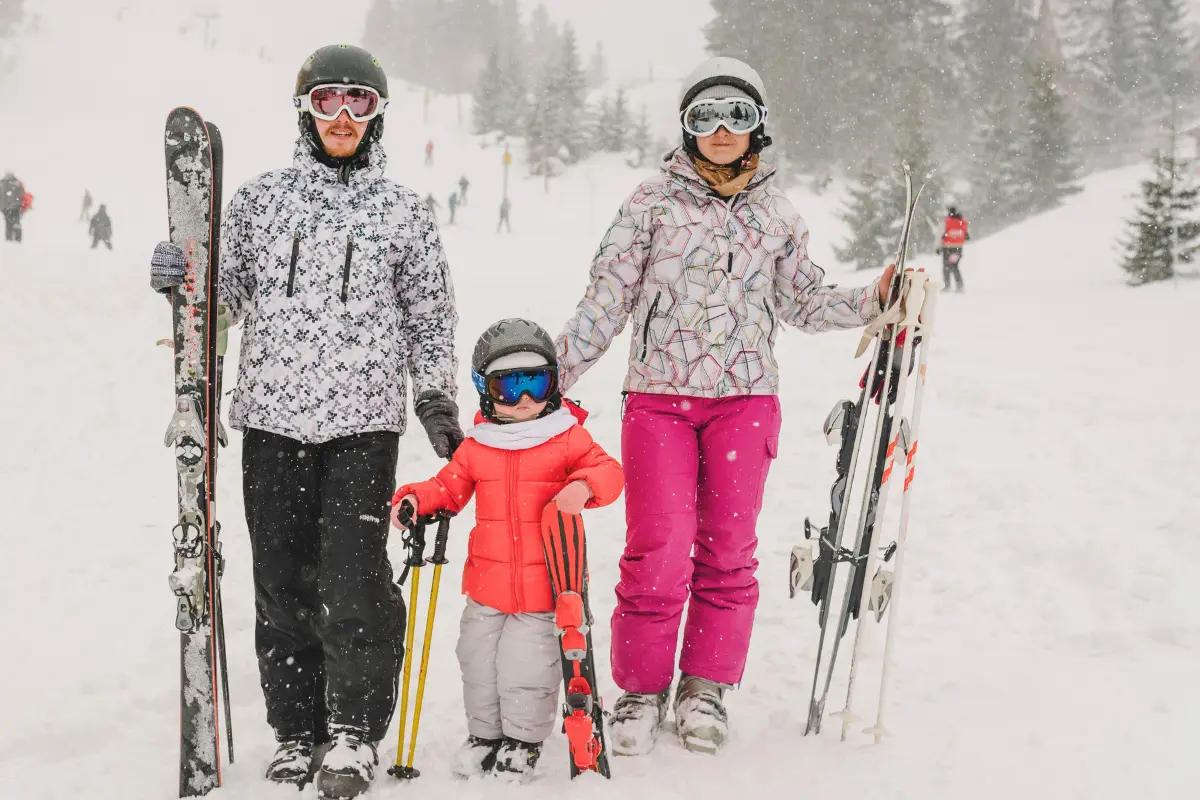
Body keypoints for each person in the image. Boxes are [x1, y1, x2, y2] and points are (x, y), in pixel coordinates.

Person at [555, 56, 897, 756]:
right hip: (659, 403)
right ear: (685, 125)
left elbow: (805, 299)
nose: (719, 128)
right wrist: (543, 382)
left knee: (728, 552)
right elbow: (606, 299)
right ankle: (641, 690)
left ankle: (704, 685)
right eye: (704, 114)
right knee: (659, 549)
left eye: (735, 115)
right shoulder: (650, 203)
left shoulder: (778, 213)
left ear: (757, 127)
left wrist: (875, 302)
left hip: (745, 402)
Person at [148, 44, 462, 800]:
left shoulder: (404, 213)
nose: (344, 116)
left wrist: (436, 398)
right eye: (328, 101)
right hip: (273, 422)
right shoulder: (259, 203)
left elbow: (430, 315)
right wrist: (180, 281)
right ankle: (296, 731)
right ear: (305, 110)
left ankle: (351, 731)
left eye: (359, 101)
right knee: (281, 582)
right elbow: (219, 305)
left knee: (353, 583)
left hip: (362, 425)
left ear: (379, 114)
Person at [390, 319, 624, 782]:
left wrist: (582, 486)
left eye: (535, 383)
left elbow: (610, 472)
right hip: (486, 588)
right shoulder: (479, 445)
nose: (525, 401)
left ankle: (522, 742)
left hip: (546, 591)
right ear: (486, 390)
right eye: (509, 386)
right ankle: (484, 736)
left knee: (527, 669)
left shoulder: (566, 436)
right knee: (477, 661)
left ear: (553, 384)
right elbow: (447, 488)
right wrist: (415, 499)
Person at [938, 205, 969, 292]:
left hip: (948, 248)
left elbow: (941, 235)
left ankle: (947, 286)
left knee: (946, 267)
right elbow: (966, 235)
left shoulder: (947, 222)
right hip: (958, 248)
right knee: (954, 266)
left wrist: (938, 247)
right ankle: (960, 286)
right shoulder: (963, 222)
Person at [1, 171, 26, 243]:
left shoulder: (2, 183)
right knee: (16, 222)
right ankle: (17, 239)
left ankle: (9, 239)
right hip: (16, 206)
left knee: (8, 223)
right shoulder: (17, 183)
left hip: (5, 207)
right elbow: (22, 194)